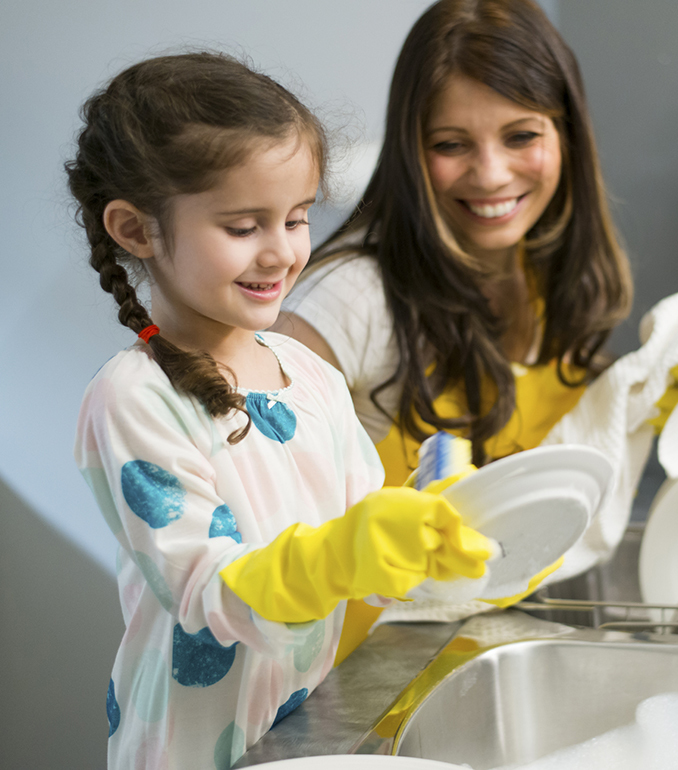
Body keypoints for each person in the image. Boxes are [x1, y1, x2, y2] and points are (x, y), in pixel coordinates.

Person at [68, 52, 496, 770]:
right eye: (243, 226)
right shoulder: (133, 399)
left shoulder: (309, 376)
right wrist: (345, 553)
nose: (282, 252)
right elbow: (209, 593)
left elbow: (364, 527)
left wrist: (430, 511)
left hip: (299, 734)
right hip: (187, 752)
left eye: (296, 219)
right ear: (136, 230)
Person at [278, 0, 633, 489]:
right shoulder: (350, 297)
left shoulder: (551, 269)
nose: (490, 175)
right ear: (411, 149)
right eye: (450, 144)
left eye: (521, 136)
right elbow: (258, 495)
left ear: (568, 134)